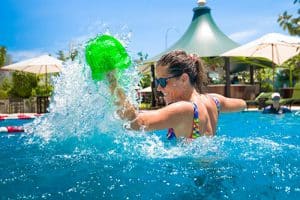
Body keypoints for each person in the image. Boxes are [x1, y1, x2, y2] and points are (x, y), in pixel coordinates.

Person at [108, 50, 246, 139]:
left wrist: (111, 80)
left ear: (184, 79)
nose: (159, 88)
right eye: (157, 82)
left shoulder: (184, 109)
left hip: (196, 180)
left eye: (162, 81)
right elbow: (242, 104)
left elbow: (136, 123)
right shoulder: (214, 101)